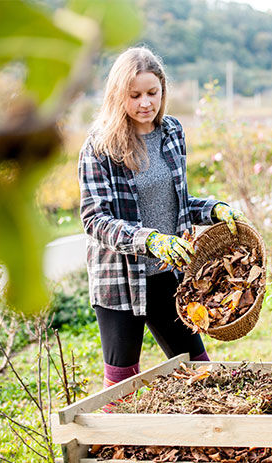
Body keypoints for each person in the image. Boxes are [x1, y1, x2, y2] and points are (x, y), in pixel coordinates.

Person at [78, 46, 248, 391]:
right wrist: (150, 240)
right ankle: (114, 443)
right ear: (117, 95)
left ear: (163, 91)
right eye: (135, 95)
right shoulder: (99, 147)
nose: (145, 103)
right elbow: (95, 218)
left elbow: (177, 201)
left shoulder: (171, 132)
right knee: (122, 384)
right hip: (121, 282)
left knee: (200, 371)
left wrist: (212, 209)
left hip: (168, 276)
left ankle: (204, 437)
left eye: (152, 93)